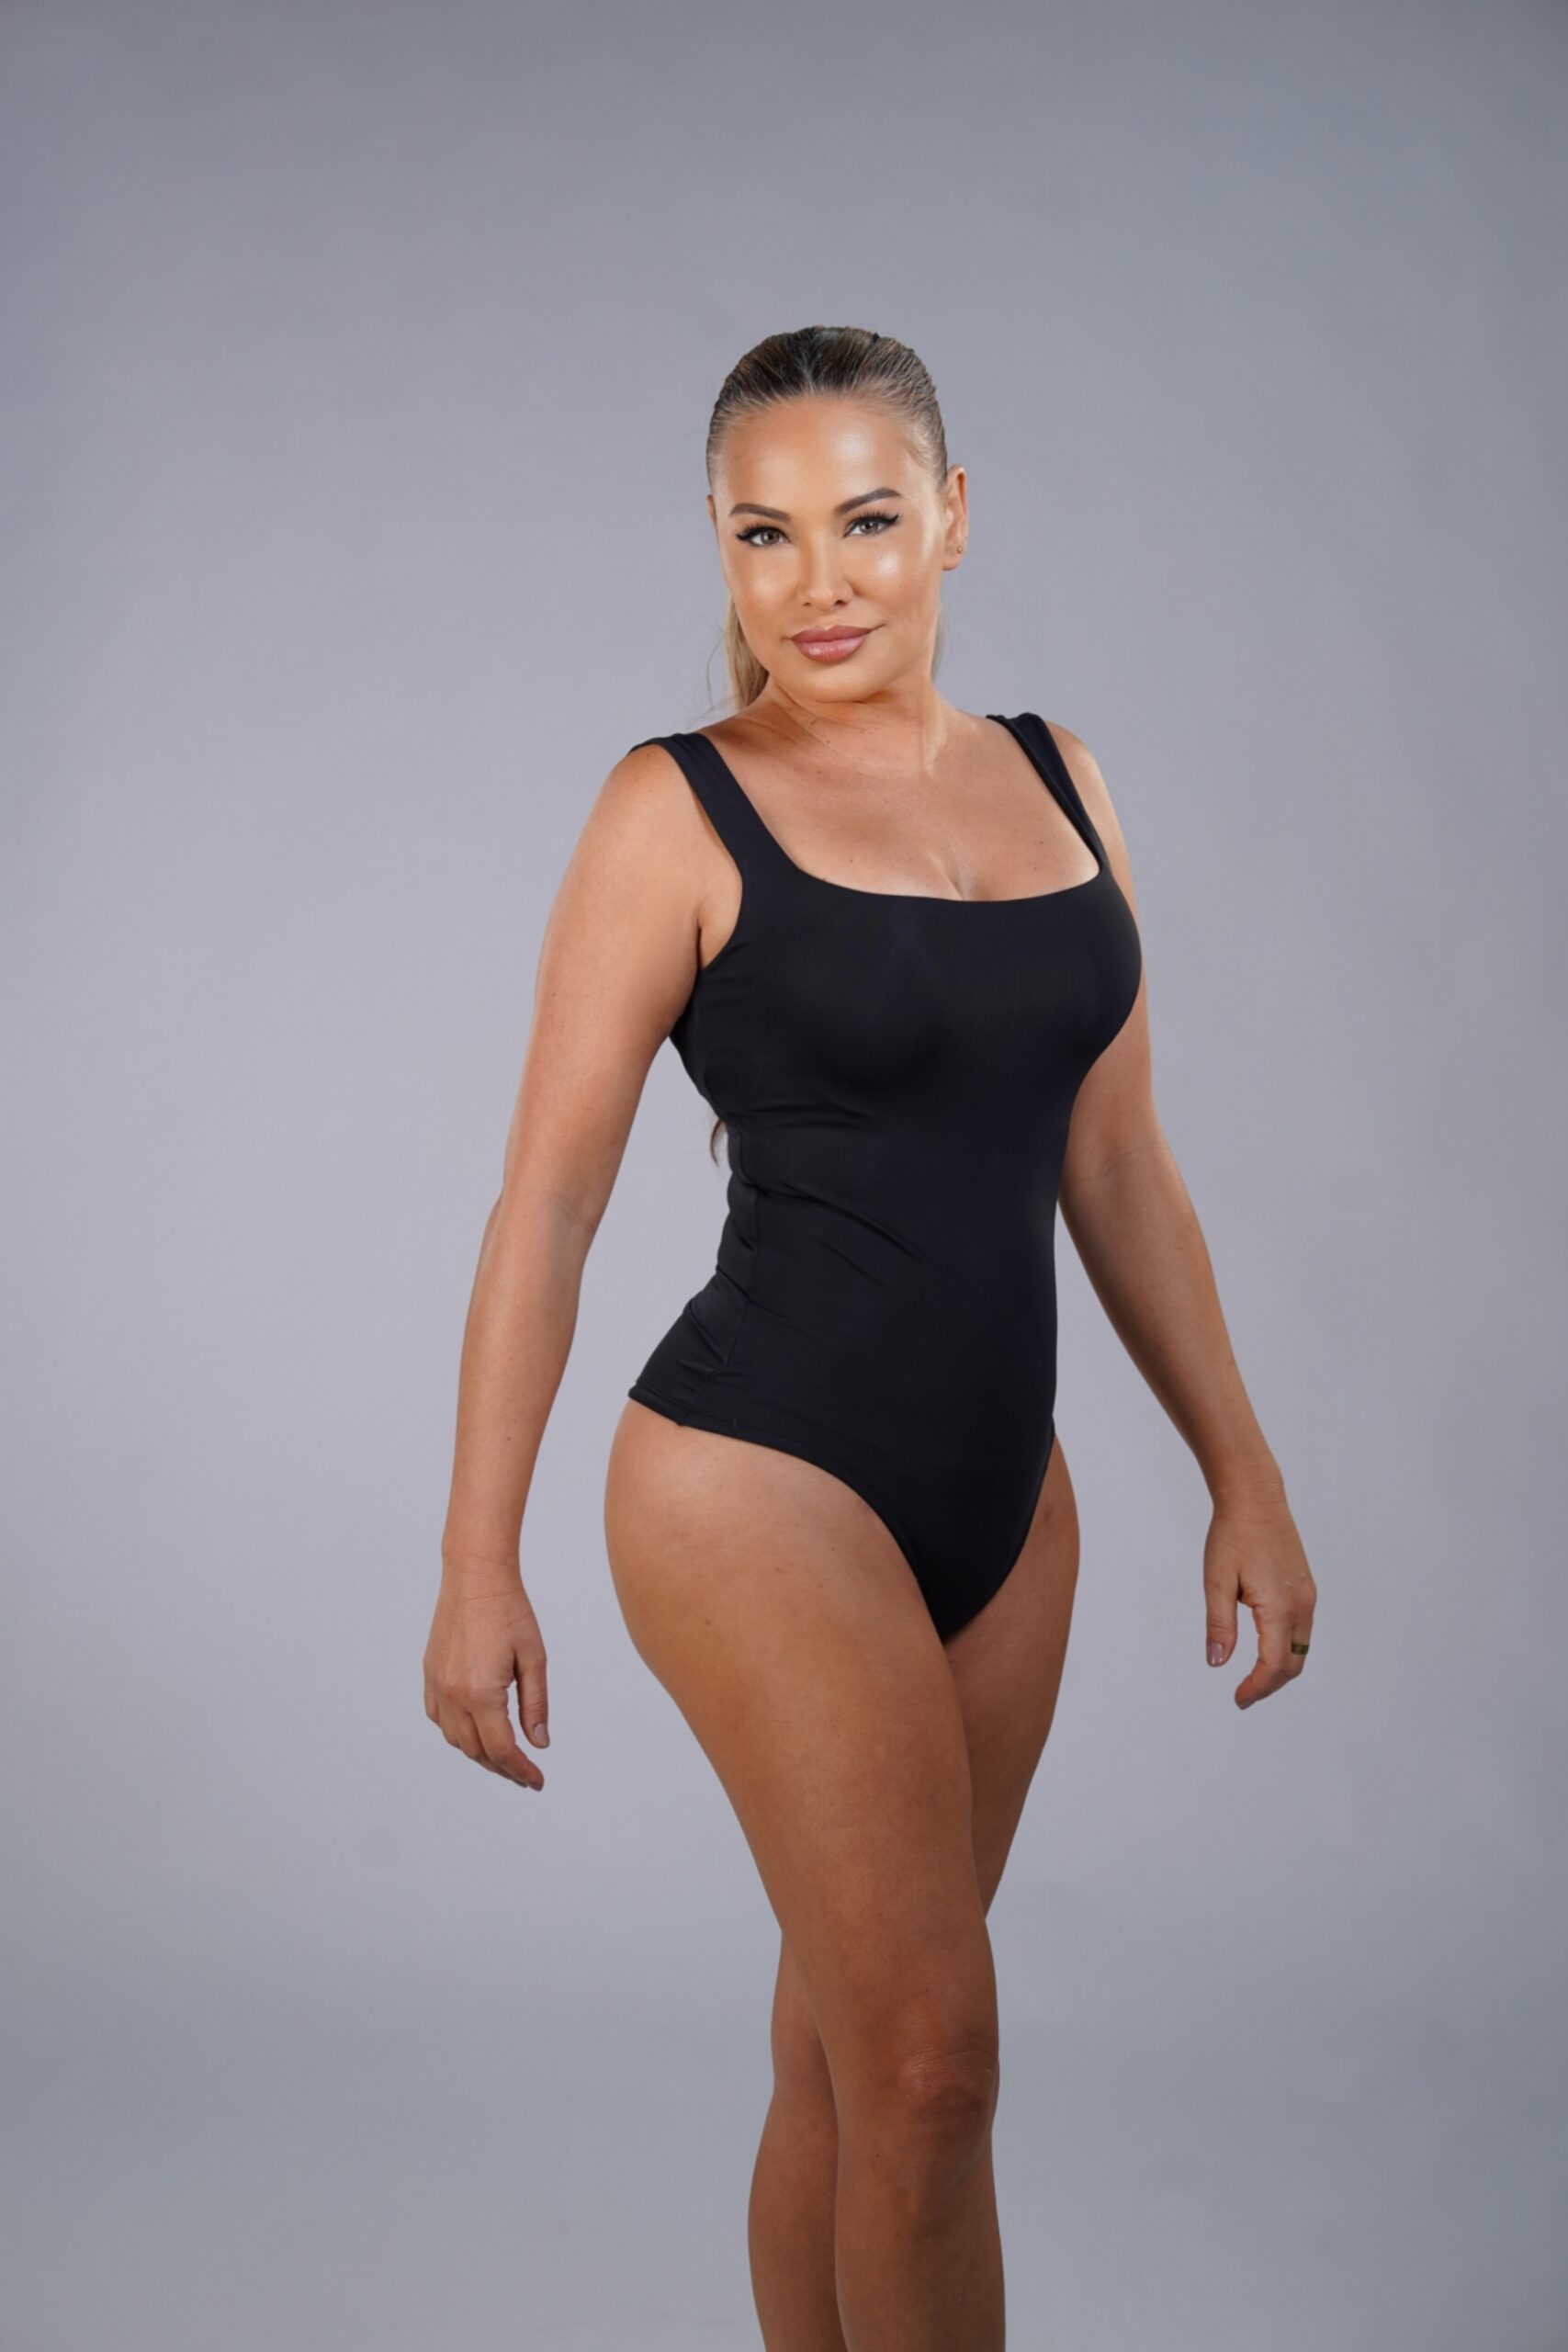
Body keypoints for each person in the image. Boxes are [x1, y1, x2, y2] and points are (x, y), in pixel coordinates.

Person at [424, 322, 1317, 2347]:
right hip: (756, 1474)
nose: (816, 582)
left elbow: (1119, 1163)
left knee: (848, 2060)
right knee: (930, 2065)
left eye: (865, 521)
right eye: (763, 533)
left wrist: (1243, 1471)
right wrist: (478, 1558)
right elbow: (545, 1203)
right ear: (717, 545)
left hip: (1007, 1504)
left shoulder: (1059, 776)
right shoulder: (672, 810)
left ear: (954, 518)